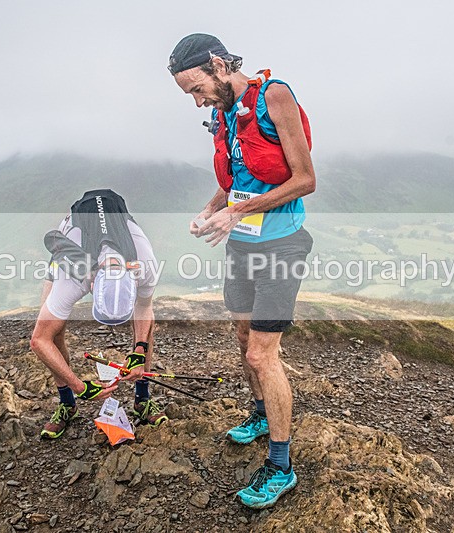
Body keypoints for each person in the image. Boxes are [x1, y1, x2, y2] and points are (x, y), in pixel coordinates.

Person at [168, 34, 316, 508]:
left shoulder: (274, 96)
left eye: (197, 89)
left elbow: (305, 180)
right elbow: (233, 180)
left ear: (218, 64)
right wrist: (211, 208)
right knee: (240, 336)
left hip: (281, 246)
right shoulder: (225, 112)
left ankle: (280, 464)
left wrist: (238, 211)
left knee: (260, 356)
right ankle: (259, 413)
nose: (197, 102)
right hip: (241, 243)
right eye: (190, 95)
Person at [30, 189, 167, 440]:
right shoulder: (73, 276)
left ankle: (143, 399)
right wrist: (79, 386)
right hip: (73, 237)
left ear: (133, 281)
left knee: (146, 326)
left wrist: (139, 351)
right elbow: (39, 341)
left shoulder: (144, 265)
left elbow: (144, 308)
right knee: (53, 329)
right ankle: (67, 403)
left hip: (120, 227)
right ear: (91, 285)